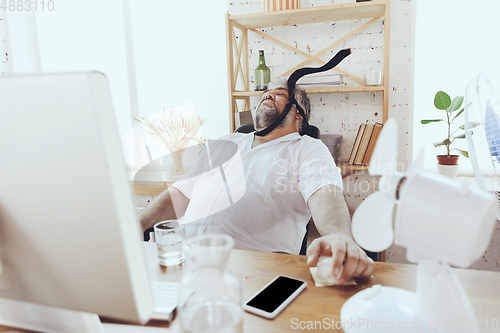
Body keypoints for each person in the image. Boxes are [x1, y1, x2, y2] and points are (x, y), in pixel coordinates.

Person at [139, 78, 374, 283]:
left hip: (254, 277)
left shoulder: (308, 148)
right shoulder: (226, 141)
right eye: (266, 93)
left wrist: (338, 235)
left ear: (298, 112)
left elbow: (324, 191)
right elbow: (182, 191)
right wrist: (139, 221)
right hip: (182, 267)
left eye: (280, 93)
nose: (269, 94)